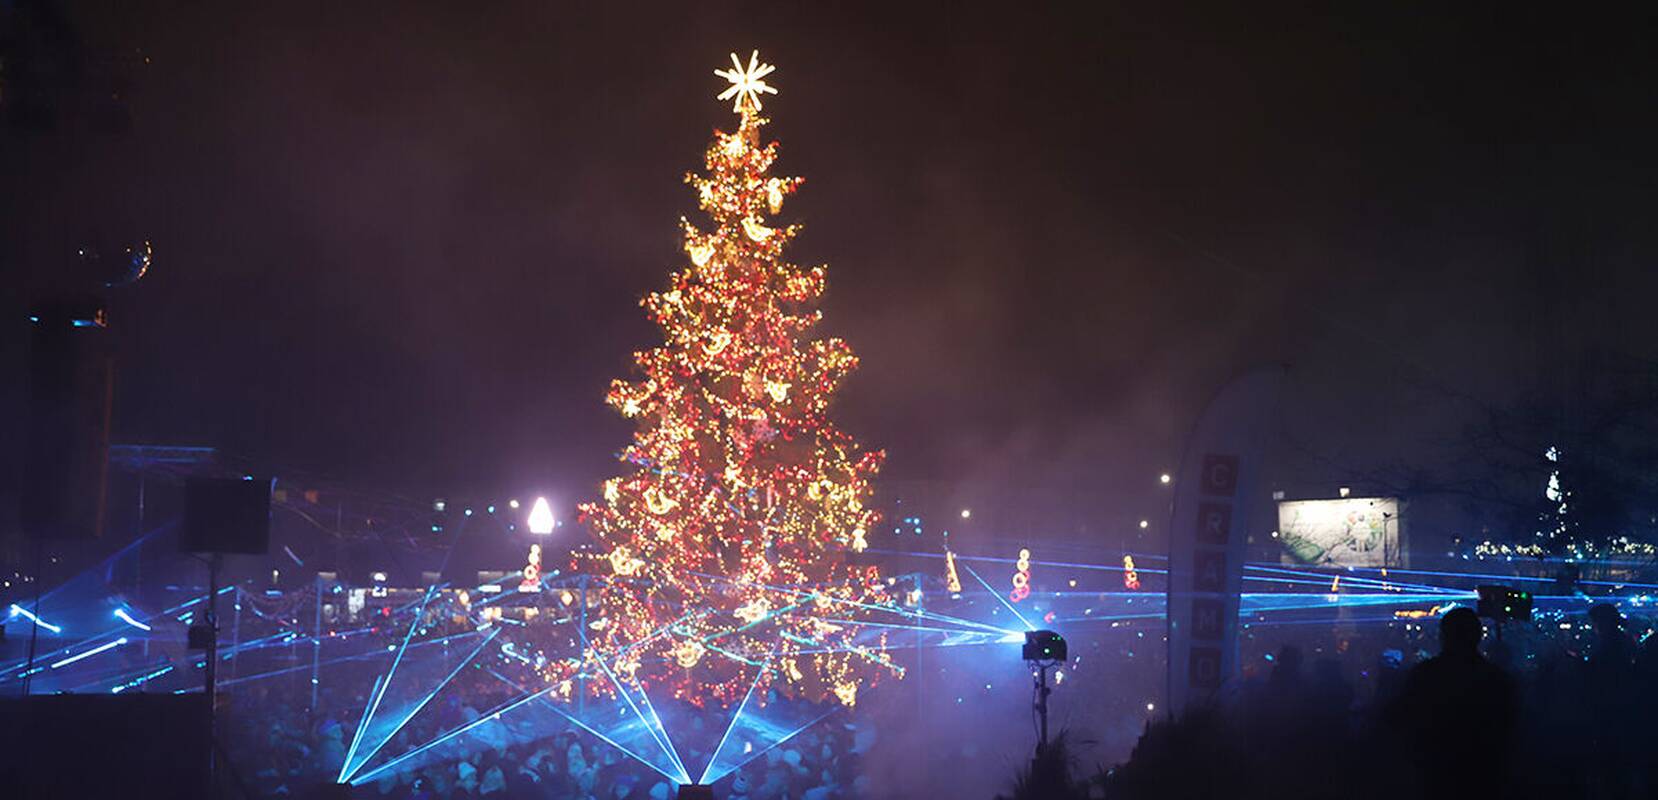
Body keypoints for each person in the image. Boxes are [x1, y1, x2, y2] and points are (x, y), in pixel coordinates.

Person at [1385, 607, 1517, 799]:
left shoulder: (1425, 675)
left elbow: (1402, 719)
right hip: (1483, 775)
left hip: (1435, 773)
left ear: (1443, 636)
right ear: (1478, 636)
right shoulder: (1497, 679)